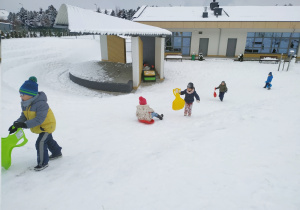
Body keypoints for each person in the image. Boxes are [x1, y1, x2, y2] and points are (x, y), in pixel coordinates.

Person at [8, 76, 62, 171]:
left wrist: (24, 125)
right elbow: (24, 115)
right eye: (20, 94)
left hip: (47, 126)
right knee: (48, 140)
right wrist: (16, 124)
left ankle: (43, 163)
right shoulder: (25, 103)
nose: (20, 96)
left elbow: (39, 119)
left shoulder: (41, 104)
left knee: (40, 142)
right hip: (41, 126)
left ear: (31, 95)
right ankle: (57, 152)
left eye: (22, 94)